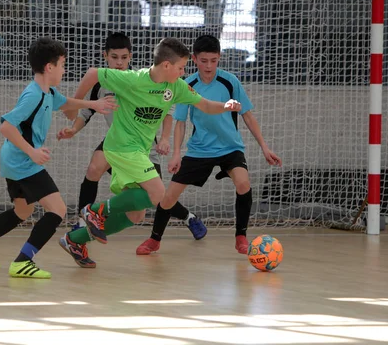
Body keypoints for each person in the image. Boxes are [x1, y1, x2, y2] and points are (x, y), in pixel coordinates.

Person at [58, 38, 241, 268]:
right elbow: (93, 73)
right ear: (166, 65)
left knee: (136, 215)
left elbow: (203, 104)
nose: (184, 71)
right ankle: (93, 210)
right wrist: (75, 104)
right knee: (158, 193)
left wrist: (225, 106)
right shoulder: (133, 79)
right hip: (121, 147)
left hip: (140, 151)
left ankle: (74, 241)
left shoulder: (176, 86)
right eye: (181, 67)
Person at [0, 37, 116, 279]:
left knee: (22, 211)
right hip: (23, 162)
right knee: (58, 209)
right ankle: (23, 261)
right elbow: (7, 126)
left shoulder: (47, 92)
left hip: (13, 161)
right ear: (49, 67)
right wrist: (32, 151)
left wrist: (92, 103)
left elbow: (63, 102)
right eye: (63, 64)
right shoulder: (33, 95)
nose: (65, 69)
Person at [136, 35, 282, 256]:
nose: (209, 66)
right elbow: (181, 122)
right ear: (194, 59)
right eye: (204, 61)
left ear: (219, 58)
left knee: (243, 183)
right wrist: (176, 154)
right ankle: (155, 239)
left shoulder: (230, 81)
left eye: (213, 61)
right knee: (168, 196)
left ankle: (241, 235)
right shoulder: (186, 84)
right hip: (199, 150)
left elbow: (248, 116)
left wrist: (264, 147)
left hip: (230, 148)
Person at [57, 32, 190, 232]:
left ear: (130, 57)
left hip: (141, 146)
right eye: (114, 57)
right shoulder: (102, 83)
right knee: (94, 169)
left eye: (124, 58)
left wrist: (164, 138)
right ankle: (84, 221)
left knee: (147, 200)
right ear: (105, 56)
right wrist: (73, 129)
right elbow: (86, 112)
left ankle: (188, 216)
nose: (119, 62)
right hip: (117, 142)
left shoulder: (139, 80)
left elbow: (168, 110)